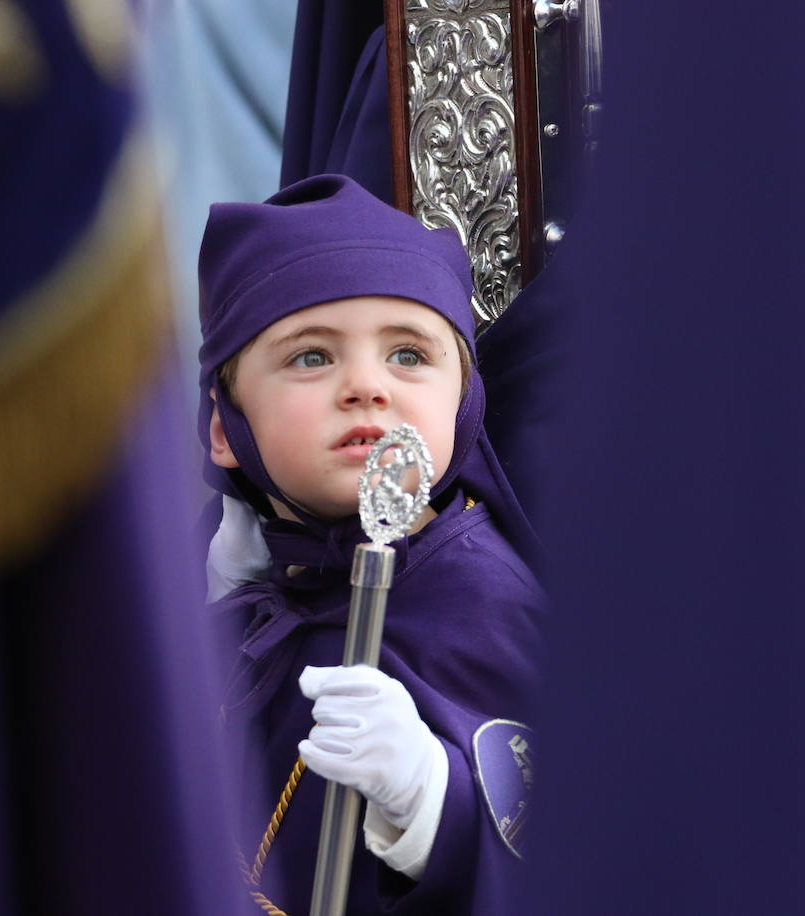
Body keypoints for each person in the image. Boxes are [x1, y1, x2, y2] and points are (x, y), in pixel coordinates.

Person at [198, 174, 545, 914]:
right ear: (226, 430)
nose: (365, 386)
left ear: (465, 402)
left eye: (410, 356)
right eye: (312, 358)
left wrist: (429, 800)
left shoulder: (489, 605)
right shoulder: (232, 598)